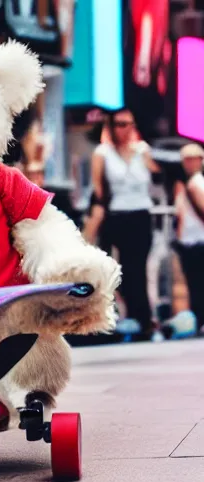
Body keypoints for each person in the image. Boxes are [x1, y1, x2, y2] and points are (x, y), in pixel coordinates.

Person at [90, 108, 160, 339]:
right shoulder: (103, 153)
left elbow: (157, 175)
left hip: (141, 213)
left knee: (138, 267)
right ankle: (132, 317)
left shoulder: (143, 150)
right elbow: (99, 189)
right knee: (122, 270)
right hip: (117, 216)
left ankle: (144, 319)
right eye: (119, 124)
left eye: (128, 123)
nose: (124, 129)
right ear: (111, 126)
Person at [173, 143, 204, 331]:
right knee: (194, 283)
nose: (189, 163)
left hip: (199, 241)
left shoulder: (196, 183)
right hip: (188, 241)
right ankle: (199, 319)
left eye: (193, 159)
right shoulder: (185, 185)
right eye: (186, 159)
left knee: (198, 282)